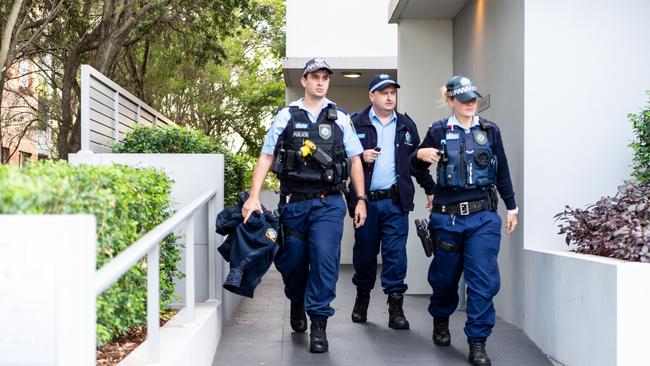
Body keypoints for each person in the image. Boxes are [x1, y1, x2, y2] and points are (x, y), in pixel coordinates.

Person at [241, 57, 367, 354]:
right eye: (315, 77)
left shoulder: (341, 118)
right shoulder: (286, 116)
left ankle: (319, 324)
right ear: (304, 81)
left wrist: (360, 199)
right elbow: (266, 156)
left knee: (324, 261)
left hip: (329, 204)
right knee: (293, 264)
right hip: (293, 205)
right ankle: (296, 300)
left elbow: (355, 160)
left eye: (325, 77)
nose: (321, 82)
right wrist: (253, 195)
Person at [410, 75, 518, 366]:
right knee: (445, 279)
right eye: (464, 99)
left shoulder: (490, 130)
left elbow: (503, 171)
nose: (470, 104)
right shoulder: (437, 130)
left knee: (483, 281)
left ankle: (478, 342)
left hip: (483, 218)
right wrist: (420, 157)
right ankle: (441, 317)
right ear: (450, 100)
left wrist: (512, 207)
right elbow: (413, 166)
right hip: (447, 220)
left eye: (474, 99)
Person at [347, 74, 435, 329]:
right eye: (383, 93)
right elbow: (341, 161)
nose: (389, 97)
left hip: (396, 202)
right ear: (371, 96)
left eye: (392, 93)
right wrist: (360, 157)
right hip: (365, 204)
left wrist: (430, 189)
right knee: (364, 256)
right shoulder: (355, 124)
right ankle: (362, 299)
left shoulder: (406, 125)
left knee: (396, 256)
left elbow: (417, 164)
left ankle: (395, 308)